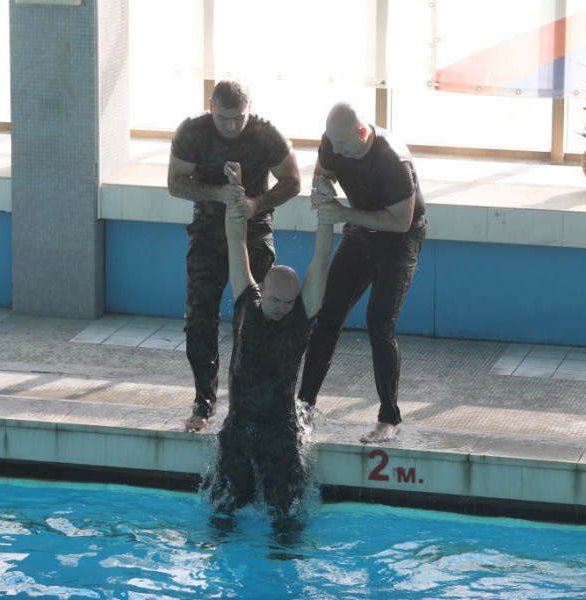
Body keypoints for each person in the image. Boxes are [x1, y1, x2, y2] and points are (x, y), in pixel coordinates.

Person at [167, 80, 301, 433]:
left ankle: (260, 399)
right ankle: (204, 401)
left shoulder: (266, 134)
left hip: (253, 227)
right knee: (200, 317)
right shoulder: (193, 131)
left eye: (238, 118)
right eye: (223, 118)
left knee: (260, 314)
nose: (231, 125)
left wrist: (257, 203)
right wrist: (217, 193)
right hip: (209, 228)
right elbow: (175, 183)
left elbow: (292, 181)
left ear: (249, 108)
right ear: (211, 107)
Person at [206, 161, 333, 518]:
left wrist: (326, 213)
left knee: (286, 515)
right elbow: (236, 241)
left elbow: (321, 260)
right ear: (262, 288)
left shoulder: (299, 317)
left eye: (289, 302)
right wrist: (236, 194)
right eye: (276, 300)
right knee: (223, 511)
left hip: (279, 430)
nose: (282, 308)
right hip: (239, 426)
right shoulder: (247, 301)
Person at [297, 102, 426, 444]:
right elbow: (322, 173)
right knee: (327, 317)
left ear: (363, 131)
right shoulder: (335, 140)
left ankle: (389, 418)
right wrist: (322, 188)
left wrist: (343, 213)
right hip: (360, 231)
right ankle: (303, 408)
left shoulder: (393, 160)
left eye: (342, 144)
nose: (336, 150)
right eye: (332, 143)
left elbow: (400, 221)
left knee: (379, 323)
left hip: (400, 239)